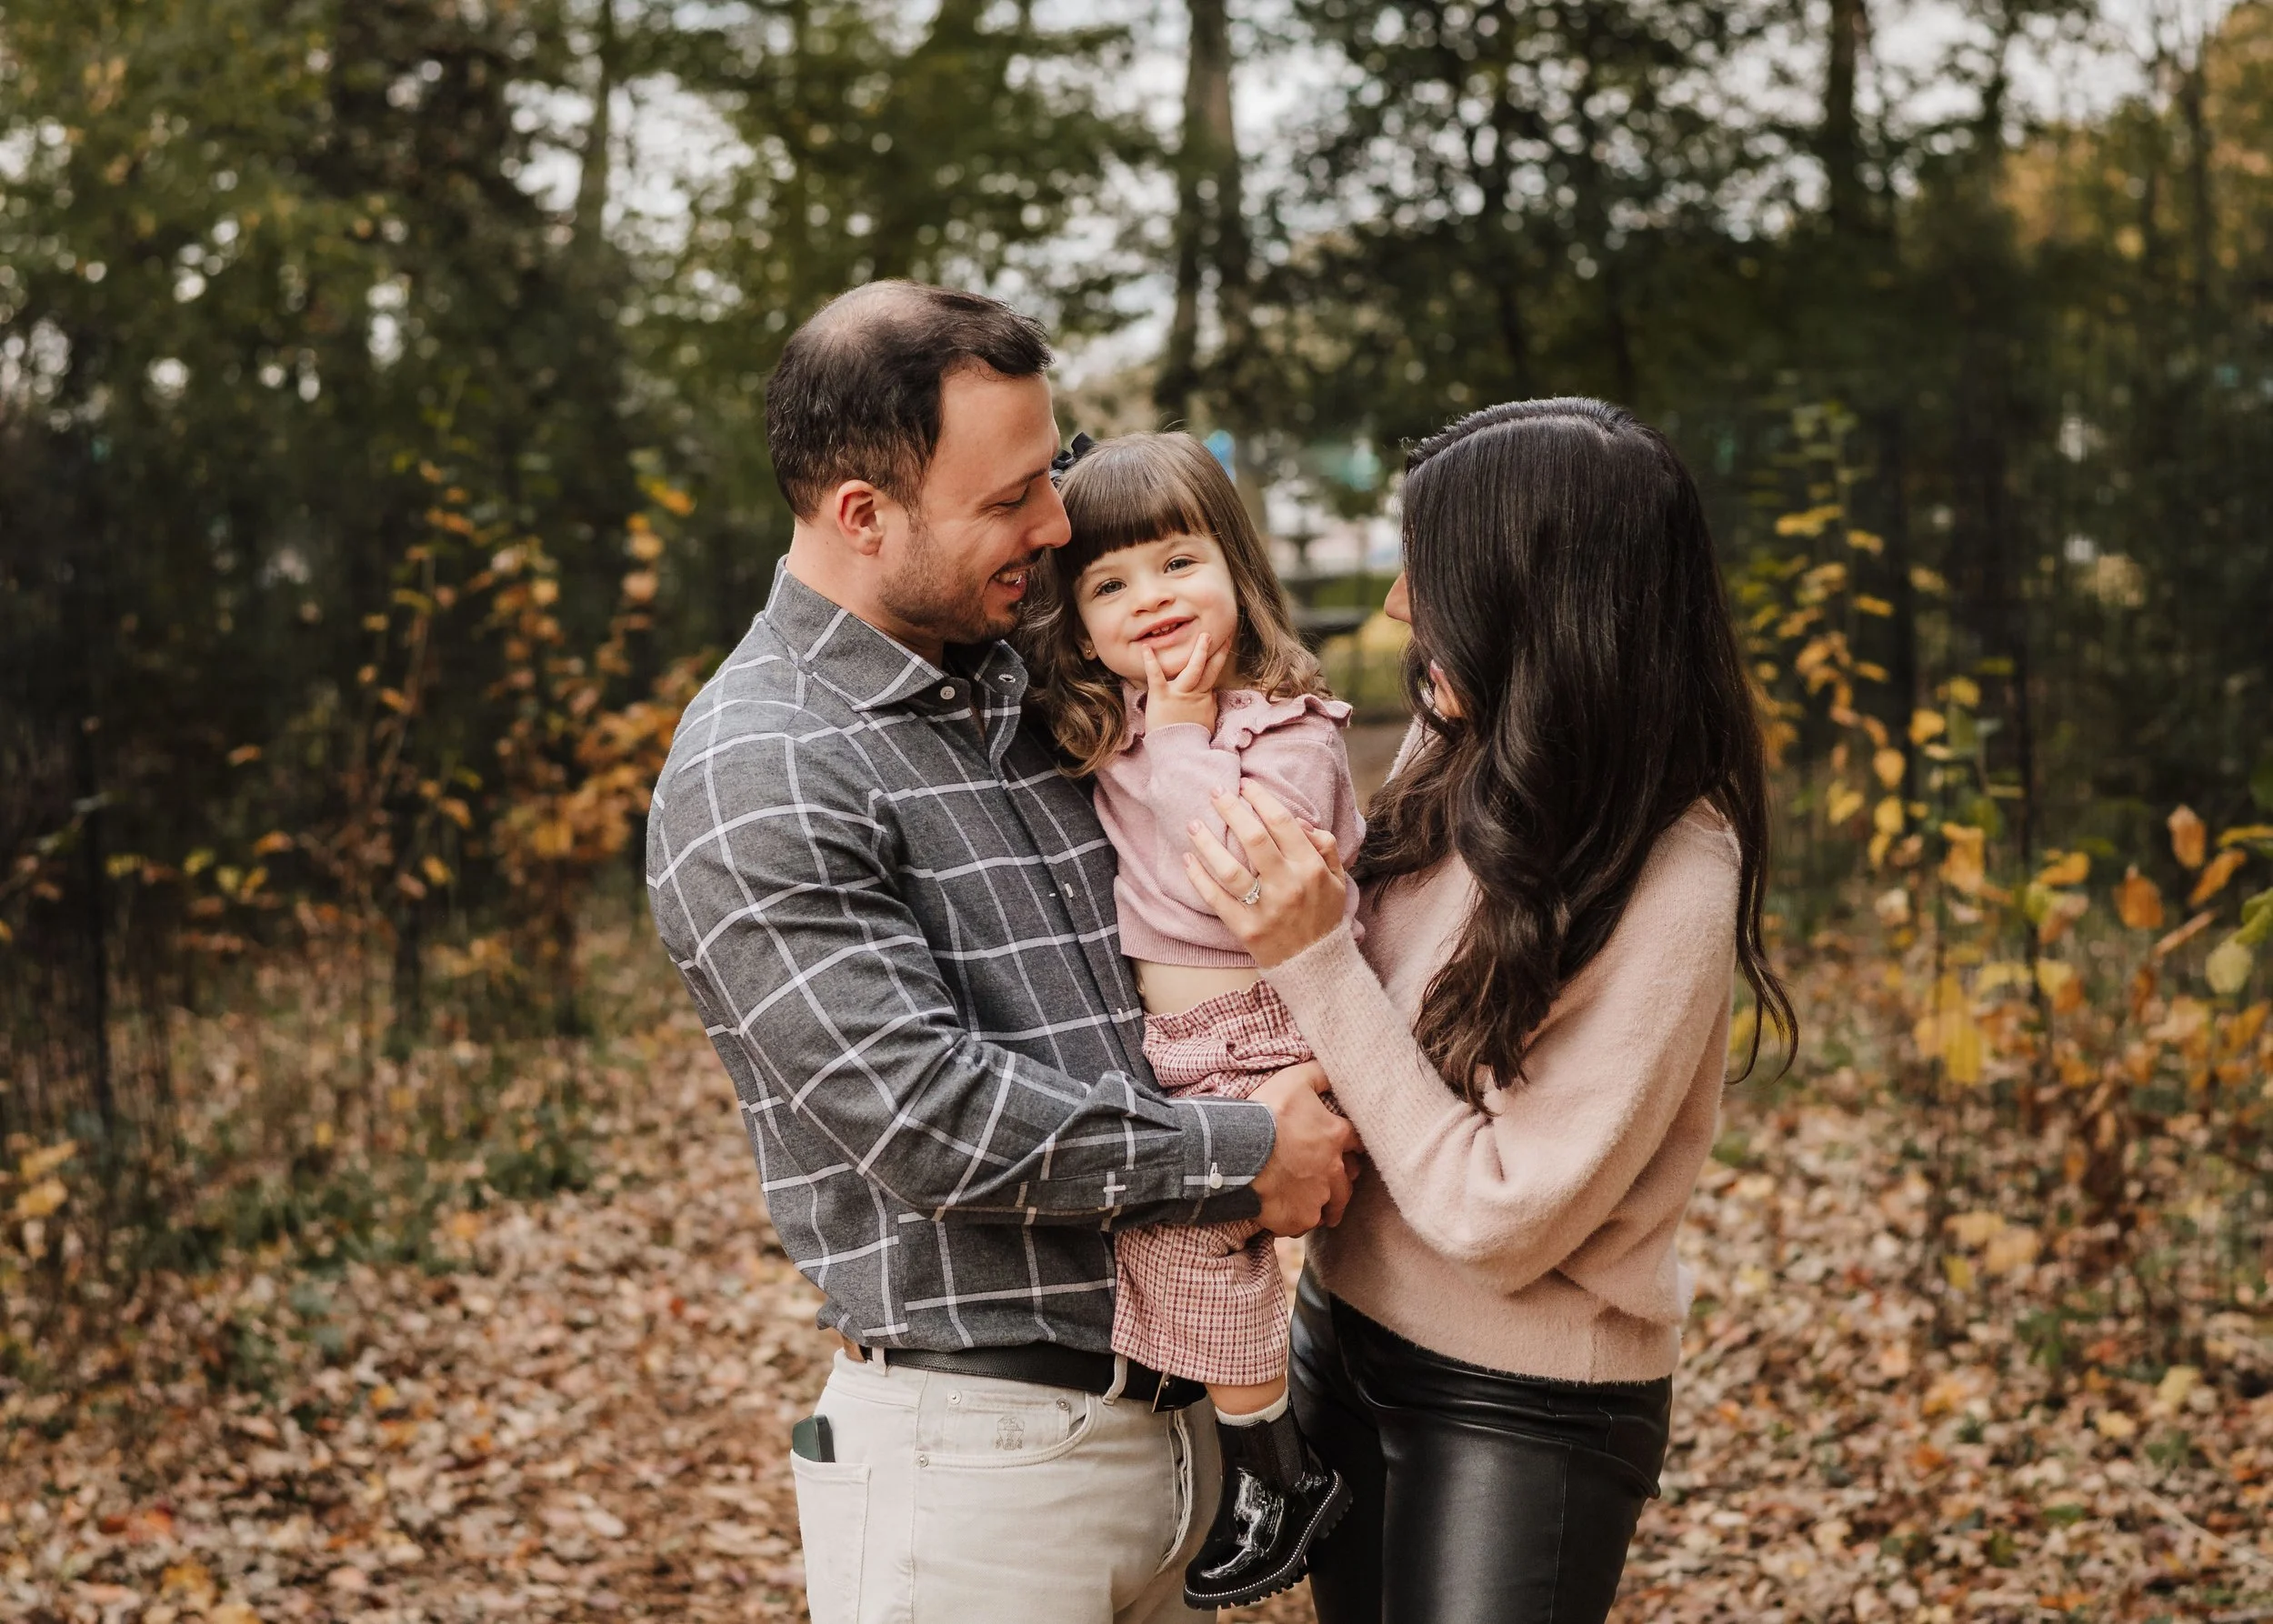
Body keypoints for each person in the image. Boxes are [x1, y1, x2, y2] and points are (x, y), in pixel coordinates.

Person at [643, 281, 1359, 1624]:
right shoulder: (762, 766)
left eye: (1052, 474)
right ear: (863, 513)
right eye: (1013, 495)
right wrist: (1243, 1153)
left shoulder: (1035, 688)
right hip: (978, 1471)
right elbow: (923, 1115)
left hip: (1187, 1430)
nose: (1055, 521)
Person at [1180, 398, 1797, 1623]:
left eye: (1432, 569)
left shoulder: (1674, 872)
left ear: (1539, 597)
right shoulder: (1455, 750)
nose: (1403, 605)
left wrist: (1312, 962)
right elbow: (1369, 1022)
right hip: (1342, 1328)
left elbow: (1498, 1214)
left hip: (1523, 1401)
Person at [1018, 432, 1363, 1609]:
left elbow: (1243, 872)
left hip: (1260, 1028)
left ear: (1240, 568)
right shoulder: (1119, 718)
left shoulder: (1288, 727)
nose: (1150, 600)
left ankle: (1280, 1474)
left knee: (1192, 1237)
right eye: (1109, 585)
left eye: (1178, 563)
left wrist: (1177, 732)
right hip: (1180, 1043)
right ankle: (1240, 1442)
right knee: (1173, 1243)